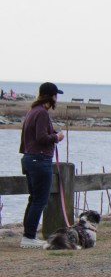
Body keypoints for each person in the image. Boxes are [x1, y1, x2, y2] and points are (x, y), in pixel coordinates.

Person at [19, 82, 65, 248]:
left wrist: (52, 134)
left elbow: (34, 135)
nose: (56, 99)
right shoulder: (42, 113)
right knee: (40, 200)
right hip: (39, 160)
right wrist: (56, 137)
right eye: (55, 95)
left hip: (29, 158)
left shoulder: (33, 111)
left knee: (34, 199)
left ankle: (28, 235)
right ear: (51, 97)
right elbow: (41, 137)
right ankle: (29, 237)